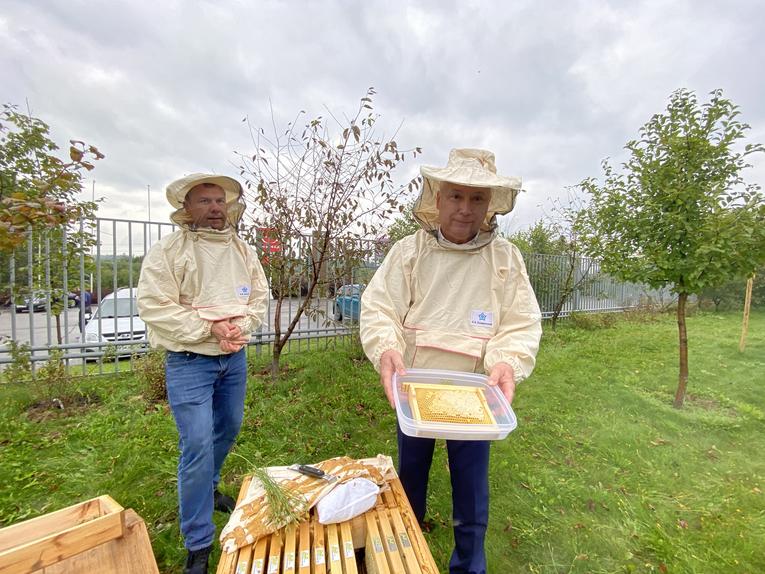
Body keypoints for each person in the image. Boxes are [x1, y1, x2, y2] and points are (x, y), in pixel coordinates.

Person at [360, 149, 542, 574]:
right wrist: (387, 347)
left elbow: (520, 322)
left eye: (477, 199)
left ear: (490, 205)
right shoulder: (409, 252)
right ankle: (403, 555)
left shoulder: (506, 259)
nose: (465, 209)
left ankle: (468, 565)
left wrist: (506, 363)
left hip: (476, 395)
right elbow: (379, 307)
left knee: (472, 488)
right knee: (409, 481)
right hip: (415, 391)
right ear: (438, 198)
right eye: (456, 196)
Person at [137, 173, 268, 574]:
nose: (215, 208)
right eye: (205, 201)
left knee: (227, 428)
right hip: (190, 361)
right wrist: (208, 328)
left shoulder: (242, 249)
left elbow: (260, 295)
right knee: (196, 443)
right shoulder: (169, 251)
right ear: (187, 208)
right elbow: (154, 304)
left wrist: (239, 329)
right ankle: (198, 539)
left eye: (219, 202)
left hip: (234, 359)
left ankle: (207, 491)